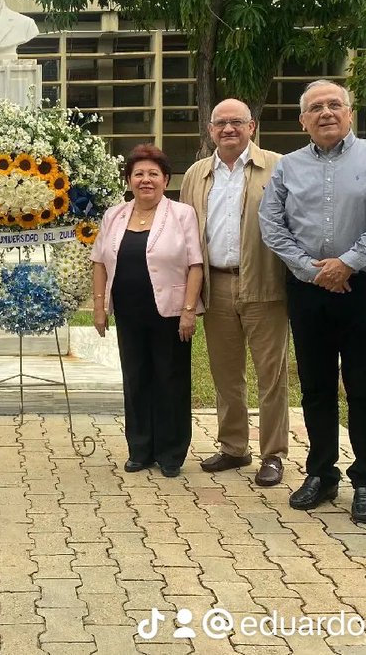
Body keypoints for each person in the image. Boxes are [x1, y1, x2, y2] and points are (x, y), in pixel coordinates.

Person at [258, 80, 366, 523]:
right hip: (308, 289)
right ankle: (321, 474)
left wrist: (347, 264)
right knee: (316, 387)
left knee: (364, 388)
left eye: (334, 105)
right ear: (303, 119)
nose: (325, 113)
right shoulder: (288, 167)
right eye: (315, 108)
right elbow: (272, 224)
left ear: (349, 112)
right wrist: (312, 270)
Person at [180, 99, 289, 487]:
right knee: (226, 373)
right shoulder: (197, 173)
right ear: (210, 130)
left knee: (270, 375)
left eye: (237, 122)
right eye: (221, 123)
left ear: (252, 127)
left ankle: (273, 454)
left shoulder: (277, 166)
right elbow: (186, 233)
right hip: (217, 282)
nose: (229, 129)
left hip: (264, 283)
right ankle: (234, 447)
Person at [91, 144, 204, 478]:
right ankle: (140, 449)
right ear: (129, 180)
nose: (146, 179)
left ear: (165, 179)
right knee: (136, 379)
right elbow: (99, 261)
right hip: (129, 311)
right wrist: (100, 307)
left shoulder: (181, 214)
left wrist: (188, 311)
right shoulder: (114, 215)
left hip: (170, 313)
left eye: (153, 173)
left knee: (170, 381)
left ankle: (171, 452)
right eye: (138, 173)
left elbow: (195, 264)